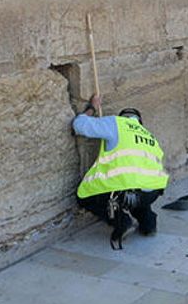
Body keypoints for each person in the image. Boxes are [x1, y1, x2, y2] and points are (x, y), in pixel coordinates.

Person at [71, 93, 169, 249]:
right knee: (139, 189)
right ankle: (148, 223)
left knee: (84, 197)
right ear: (139, 122)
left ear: (123, 117)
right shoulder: (150, 137)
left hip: (126, 193)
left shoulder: (116, 123)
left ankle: (122, 221)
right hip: (152, 193)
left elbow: (79, 125)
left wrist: (92, 108)